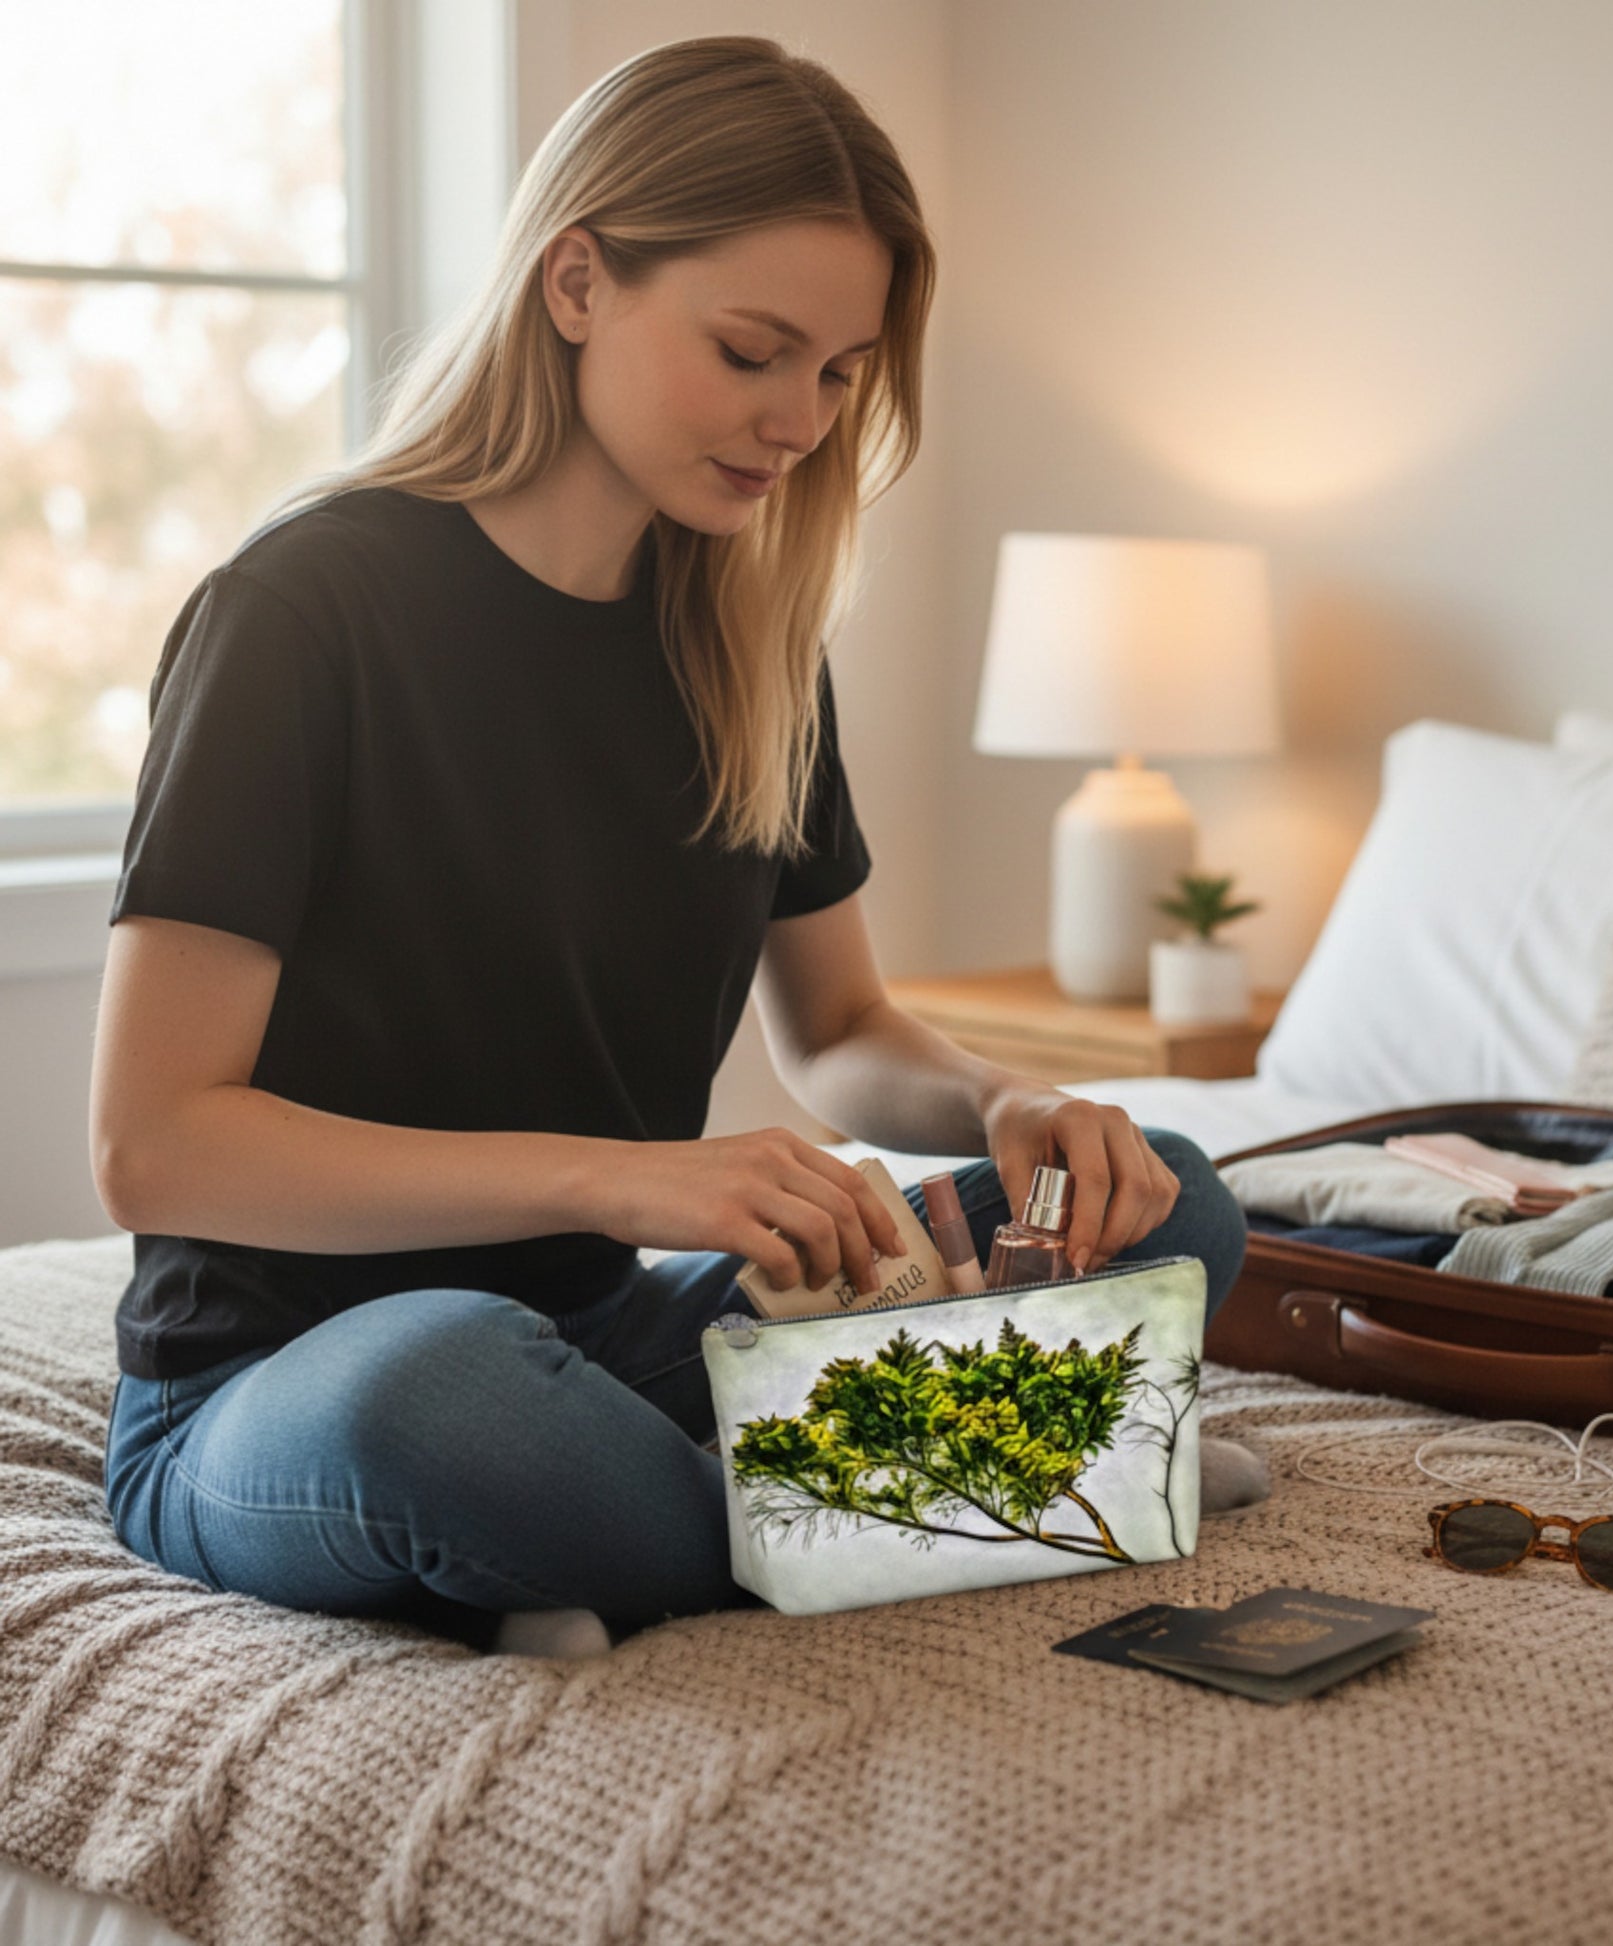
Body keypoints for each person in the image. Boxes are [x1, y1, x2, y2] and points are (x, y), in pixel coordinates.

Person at [92, 36, 1250, 1659]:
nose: (798, 419)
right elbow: (156, 1145)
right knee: (451, 1396)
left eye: (841, 371)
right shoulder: (299, 614)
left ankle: (757, 1508)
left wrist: (1007, 1101)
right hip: (286, 1383)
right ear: (577, 281)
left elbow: (839, 1035)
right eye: (752, 351)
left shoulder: (750, 634)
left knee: (1171, 1207)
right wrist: (624, 1177)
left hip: (609, 1338)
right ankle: (1009, 1478)